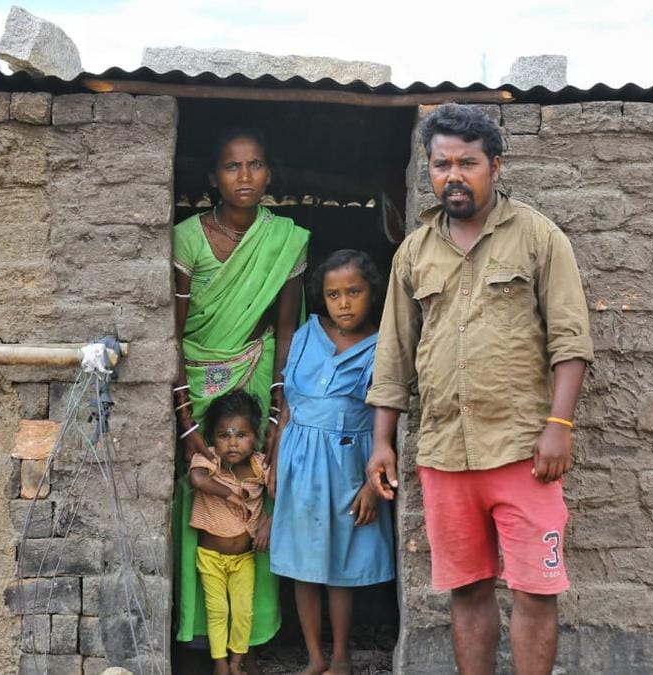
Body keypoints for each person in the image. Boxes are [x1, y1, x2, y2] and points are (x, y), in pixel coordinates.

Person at [365, 104, 593, 675]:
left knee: (535, 590)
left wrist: (558, 426)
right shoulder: (414, 252)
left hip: (523, 453)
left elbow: (571, 341)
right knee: (466, 590)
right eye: (441, 164)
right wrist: (382, 442)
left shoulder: (538, 237)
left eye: (467, 163)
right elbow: (393, 356)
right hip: (445, 453)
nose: (453, 176)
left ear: (495, 166)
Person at [171, 128, 310, 665]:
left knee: (258, 488)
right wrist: (188, 424)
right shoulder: (187, 238)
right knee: (196, 493)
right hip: (196, 384)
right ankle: (200, 633)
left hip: (257, 373)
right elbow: (172, 336)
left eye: (255, 164)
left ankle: (248, 640)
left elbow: (287, 331)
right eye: (232, 166)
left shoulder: (287, 240)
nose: (245, 176)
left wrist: (277, 410)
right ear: (214, 177)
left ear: (269, 173)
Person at [269, 250, 396, 675]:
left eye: (354, 292)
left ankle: (340, 656)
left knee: (341, 563)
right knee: (304, 564)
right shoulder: (307, 334)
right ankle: (314, 656)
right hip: (299, 463)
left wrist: (371, 487)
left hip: (349, 465)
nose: (343, 303)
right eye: (333, 294)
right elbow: (288, 403)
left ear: (372, 293)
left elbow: (386, 419)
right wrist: (276, 461)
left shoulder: (383, 345)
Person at [190, 390, 273, 675]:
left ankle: (237, 662)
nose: (233, 442)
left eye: (242, 435)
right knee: (217, 611)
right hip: (210, 557)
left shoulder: (260, 465)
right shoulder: (209, 459)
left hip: (244, 559)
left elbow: (285, 491)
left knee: (243, 611)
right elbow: (197, 479)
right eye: (224, 435)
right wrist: (229, 494)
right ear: (213, 438)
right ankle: (220, 663)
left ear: (255, 437)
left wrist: (268, 523)